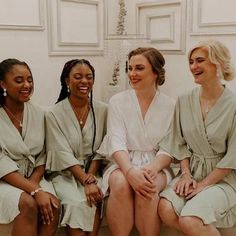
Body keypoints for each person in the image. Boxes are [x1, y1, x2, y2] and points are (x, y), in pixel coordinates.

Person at [150, 40, 236, 236]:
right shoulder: (184, 100)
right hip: (192, 173)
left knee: (190, 219)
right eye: (191, 62)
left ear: (218, 63)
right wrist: (187, 175)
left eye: (200, 61)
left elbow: (233, 157)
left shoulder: (234, 105)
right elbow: (178, 143)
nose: (193, 67)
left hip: (224, 179)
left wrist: (204, 185)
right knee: (165, 208)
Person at [99, 47, 175, 236]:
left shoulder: (171, 105)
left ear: (156, 71)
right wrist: (130, 171)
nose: (132, 74)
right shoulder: (117, 101)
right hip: (123, 161)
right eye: (130, 68)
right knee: (120, 183)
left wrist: (152, 169)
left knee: (149, 187)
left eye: (139, 68)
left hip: (157, 164)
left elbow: (170, 146)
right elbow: (116, 141)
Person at [45, 59, 107, 236]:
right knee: (75, 203)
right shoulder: (53, 114)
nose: (84, 81)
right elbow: (60, 151)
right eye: (78, 77)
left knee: (96, 198)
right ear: (66, 81)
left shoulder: (103, 110)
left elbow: (103, 147)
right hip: (65, 174)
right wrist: (85, 181)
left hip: (94, 172)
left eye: (89, 77)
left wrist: (91, 178)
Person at [0, 58, 60, 236]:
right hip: (5, 179)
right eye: (19, 80)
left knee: (53, 204)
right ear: (2, 84)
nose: (26, 85)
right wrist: (33, 190)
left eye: (30, 80)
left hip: (33, 177)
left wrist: (34, 185)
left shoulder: (41, 113)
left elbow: (44, 154)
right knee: (28, 203)